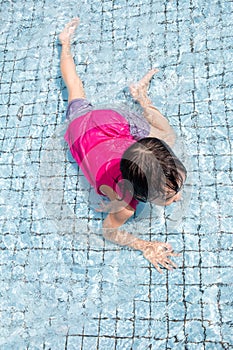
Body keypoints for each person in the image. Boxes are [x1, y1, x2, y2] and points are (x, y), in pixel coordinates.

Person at [59, 18, 187, 273]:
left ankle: (65, 45)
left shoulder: (139, 162)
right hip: (82, 129)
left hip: (109, 125)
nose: (178, 197)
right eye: (169, 197)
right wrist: (143, 244)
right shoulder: (126, 203)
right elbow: (109, 231)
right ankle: (141, 97)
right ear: (141, 195)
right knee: (74, 89)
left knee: (75, 88)